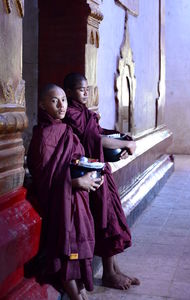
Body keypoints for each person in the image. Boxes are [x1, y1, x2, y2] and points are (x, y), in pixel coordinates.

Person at [63, 73, 140, 290]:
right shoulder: (71, 114)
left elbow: (100, 132)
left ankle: (115, 269)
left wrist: (123, 137)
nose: (86, 93)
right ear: (69, 93)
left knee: (113, 215)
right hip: (88, 173)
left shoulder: (85, 113)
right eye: (81, 89)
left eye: (88, 89)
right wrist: (124, 145)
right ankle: (108, 273)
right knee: (104, 219)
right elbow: (94, 139)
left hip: (100, 170)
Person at [27, 84, 103, 300]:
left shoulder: (66, 130)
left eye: (64, 100)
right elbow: (45, 179)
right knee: (67, 249)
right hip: (60, 203)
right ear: (42, 105)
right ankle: (76, 297)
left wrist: (90, 170)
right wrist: (77, 182)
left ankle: (80, 293)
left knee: (79, 245)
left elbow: (76, 159)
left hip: (76, 200)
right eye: (54, 101)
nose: (61, 105)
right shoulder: (43, 137)